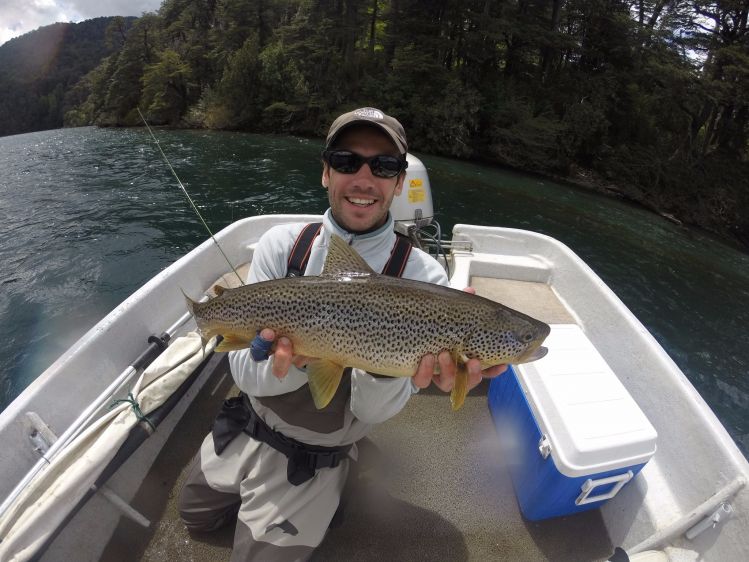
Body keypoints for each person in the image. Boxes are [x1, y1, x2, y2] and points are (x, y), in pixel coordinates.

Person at [178, 107, 506, 561]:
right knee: (192, 514)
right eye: (348, 161)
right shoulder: (283, 246)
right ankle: (341, 477)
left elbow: (371, 409)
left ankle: (338, 474)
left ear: (398, 181)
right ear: (326, 173)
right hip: (251, 423)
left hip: (316, 450)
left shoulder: (424, 278)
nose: (364, 178)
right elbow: (246, 376)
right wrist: (280, 363)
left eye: (384, 165)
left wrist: (392, 370)